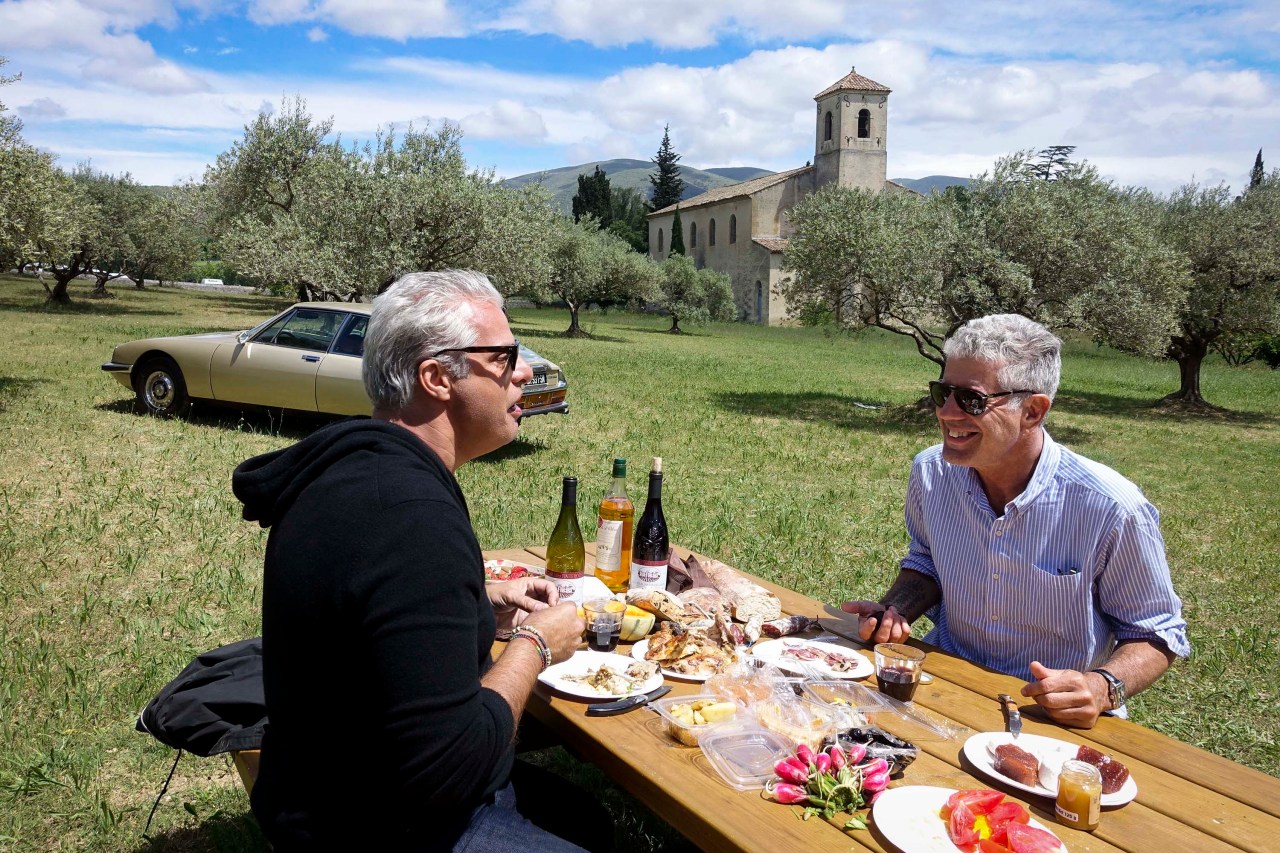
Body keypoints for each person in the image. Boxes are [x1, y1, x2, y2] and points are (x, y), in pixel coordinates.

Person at [232, 270, 598, 851]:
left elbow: (376, 624)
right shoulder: (407, 515)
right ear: (437, 377)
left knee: (590, 818)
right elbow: (450, 769)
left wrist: (475, 606)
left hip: (325, 781)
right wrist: (536, 645)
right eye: (504, 357)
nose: (523, 370)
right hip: (372, 824)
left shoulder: (357, 471)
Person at [842, 314, 1189, 728]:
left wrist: (1101, 687)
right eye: (942, 392)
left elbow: (1157, 632)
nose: (947, 413)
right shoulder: (931, 473)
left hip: (1048, 714)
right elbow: (928, 560)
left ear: (1033, 411)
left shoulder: (1111, 507)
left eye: (971, 400)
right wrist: (895, 608)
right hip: (944, 677)